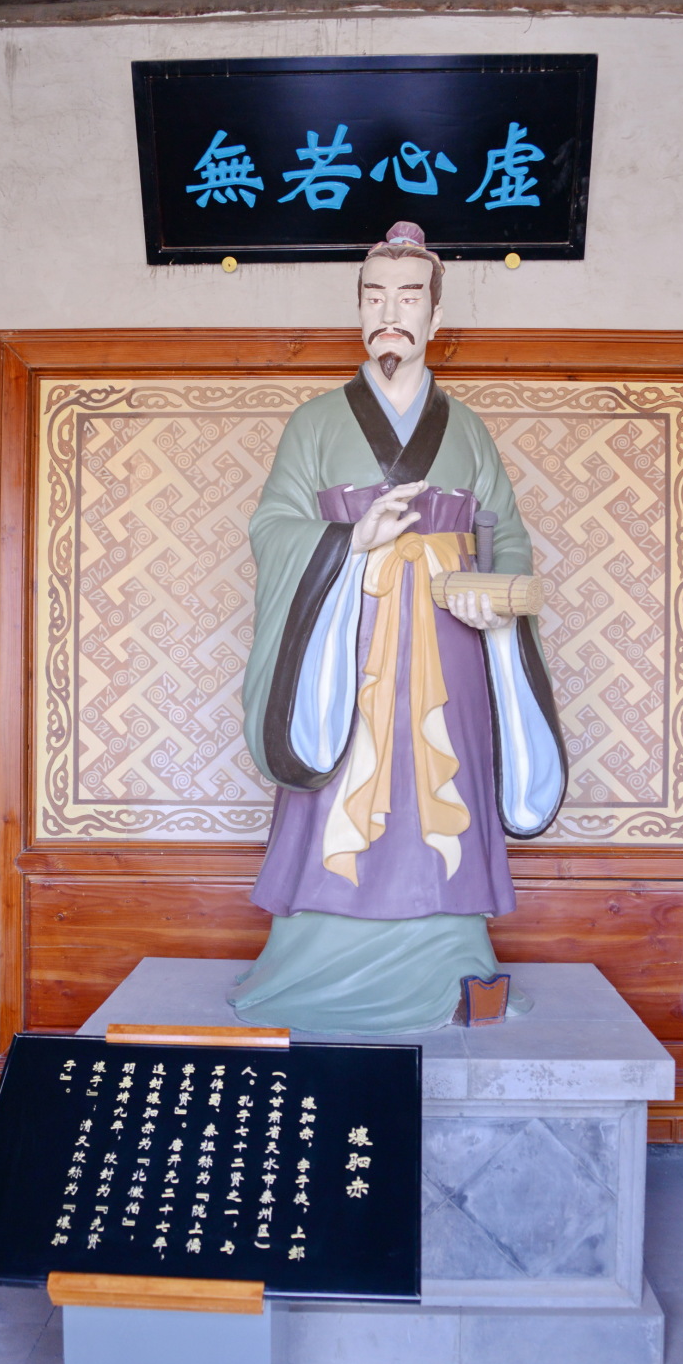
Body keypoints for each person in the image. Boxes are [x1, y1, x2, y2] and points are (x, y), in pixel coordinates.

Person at [230, 222, 567, 1032]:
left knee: (439, 788)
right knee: (344, 777)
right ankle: (312, 962)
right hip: (347, 639)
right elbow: (272, 527)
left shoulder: (469, 428)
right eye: (375, 297)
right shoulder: (315, 422)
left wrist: (496, 595)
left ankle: (452, 955)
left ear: (434, 320)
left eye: (409, 298)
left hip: (449, 640)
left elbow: (510, 535)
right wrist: (351, 542)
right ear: (358, 314)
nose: (392, 312)